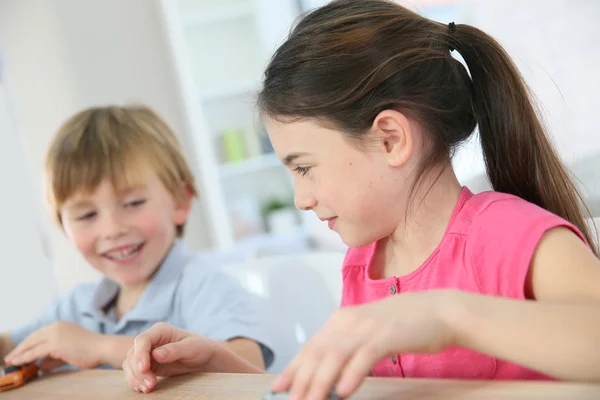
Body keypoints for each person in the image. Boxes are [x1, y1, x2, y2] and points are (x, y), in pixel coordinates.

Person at [122, 0, 600, 398]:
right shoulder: (364, 263)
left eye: (304, 167)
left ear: (390, 138)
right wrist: (221, 368)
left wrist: (446, 315)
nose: (301, 199)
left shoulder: (506, 236)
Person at [0, 105, 273, 393]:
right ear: (63, 228)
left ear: (180, 202)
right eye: (86, 216)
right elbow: (13, 348)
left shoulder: (203, 286)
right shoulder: (75, 307)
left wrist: (100, 347)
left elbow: (249, 365)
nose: (113, 229)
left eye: (133, 204)